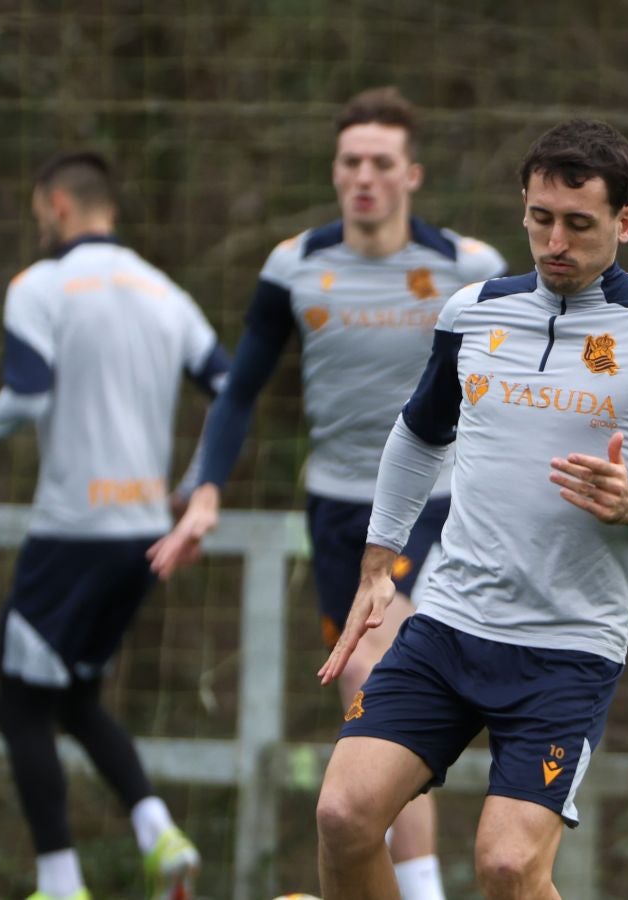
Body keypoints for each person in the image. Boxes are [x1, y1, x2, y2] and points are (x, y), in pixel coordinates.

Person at [309, 118, 628, 900]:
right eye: (540, 218)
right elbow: (417, 434)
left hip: (566, 649)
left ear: (624, 222)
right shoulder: (473, 312)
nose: (554, 242)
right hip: (447, 624)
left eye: (579, 224)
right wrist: (379, 558)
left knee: (507, 868)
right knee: (342, 813)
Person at [147, 86, 505, 900]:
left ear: (411, 174)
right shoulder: (295, 265)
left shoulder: (468, 268)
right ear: (335, 170)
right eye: (351, 162)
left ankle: (422, 891)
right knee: (365, 685)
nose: (365, 177)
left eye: (382, 162)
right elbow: (239, 391)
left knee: (374, 674)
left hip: (436, 504)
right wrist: (206, 487)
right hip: (339, 510)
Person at [0, 152, 227, 900]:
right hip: (142, 536)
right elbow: (231, 385)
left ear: (56, 206)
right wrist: (198, 484)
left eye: (38, 210)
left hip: (72, 535)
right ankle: (157, 832)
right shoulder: (164, 291)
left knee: (15, 706)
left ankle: (60, 882)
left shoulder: (38, 286)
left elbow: (28, 394)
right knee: (71, 700)